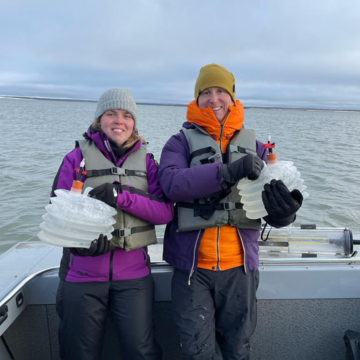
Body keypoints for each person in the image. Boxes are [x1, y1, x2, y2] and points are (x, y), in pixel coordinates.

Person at [158, 64, 303, 360]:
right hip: (192, 272)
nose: (214, 99)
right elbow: (171, 183)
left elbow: (270, 207)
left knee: (238, 350)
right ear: (196, 99)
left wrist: (284, 213)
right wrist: (226, 171)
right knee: (197, 353)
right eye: (206, 92)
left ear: (233, 98)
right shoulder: (178, 143)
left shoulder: (258, 148)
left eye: (221, 91)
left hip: (240, 270)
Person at [52, 88, 173, 360]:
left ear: (134, 123)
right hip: (81, 275)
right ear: (99, 119)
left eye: (126, 115)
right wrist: (77, 244)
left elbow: (165, 212)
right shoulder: (75, 158)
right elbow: (56, 211)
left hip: (134, 278)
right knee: (78, 354)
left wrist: (122, 196)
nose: (119, 121)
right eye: (111, 114)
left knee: (141, 352)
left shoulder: (148, 162)